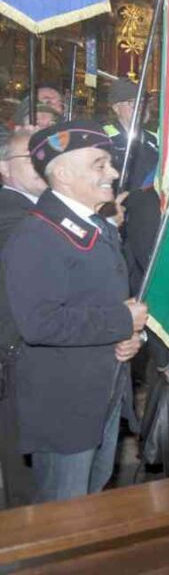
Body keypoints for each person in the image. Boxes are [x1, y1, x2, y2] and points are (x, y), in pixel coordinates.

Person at [4, 122, 148, 501]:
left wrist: (130, 336)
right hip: (64, 407)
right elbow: (39, 323)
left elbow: (112, 305)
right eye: (99, 165)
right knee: (62, 516)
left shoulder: (98, 226)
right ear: (63, 174)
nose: (113, 173)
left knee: (88, 505)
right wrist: (120, 322)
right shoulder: (37, 234)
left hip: (102, 395)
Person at [0, 128, 47, 506]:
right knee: (22, 468)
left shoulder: (37, 208)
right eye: (27, 158)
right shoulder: (9, 209)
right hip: (15, 354)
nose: (39, 163)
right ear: (3, 167)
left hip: (30, 353)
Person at [103, 78, 160, 191]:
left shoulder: (155, 139)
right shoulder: (104, 138)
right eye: (133, 103)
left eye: (144, 103)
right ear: (116, 108)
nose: (141, 108)